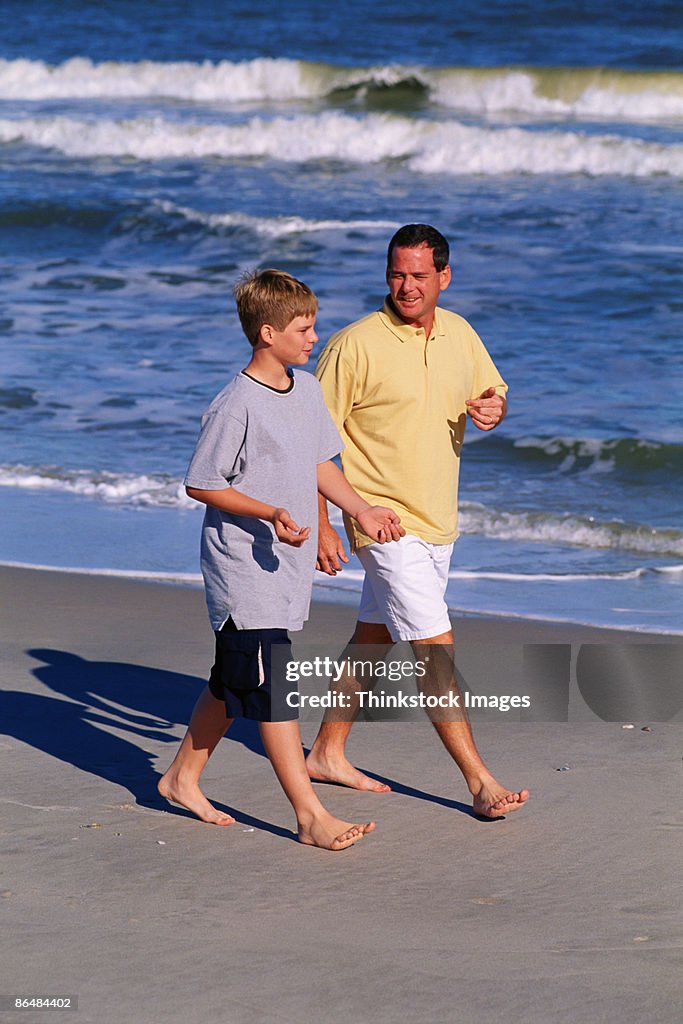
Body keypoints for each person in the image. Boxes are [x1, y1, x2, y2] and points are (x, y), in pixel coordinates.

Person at [158, 269, 404, 850]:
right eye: (305, 327)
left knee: (234, 678)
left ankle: (181, 778)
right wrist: (268, 512)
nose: (315, 336)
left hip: (283, 563)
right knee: (274, 683)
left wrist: (361, 511)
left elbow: (321, 465)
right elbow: (201, 483)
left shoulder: (308, 390)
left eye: (315, 325)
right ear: (267, 333)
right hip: (241, 566)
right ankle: (309, 814)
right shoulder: (236, 404)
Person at [305, 224, 529, 819]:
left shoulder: (460, 333)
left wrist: (493, 408)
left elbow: (492, 389)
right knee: (435, 646)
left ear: (444, 277)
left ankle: (327, 750)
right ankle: (479, 781)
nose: (407, 286)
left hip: (439, 520)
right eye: (398, 274)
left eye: (419, 276)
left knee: (374, 639)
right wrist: (325, 523)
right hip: (381, 519)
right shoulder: (353, 346)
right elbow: (310, 441)